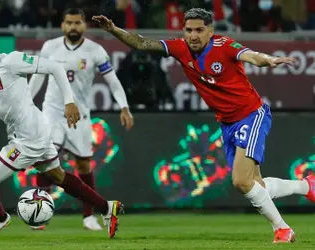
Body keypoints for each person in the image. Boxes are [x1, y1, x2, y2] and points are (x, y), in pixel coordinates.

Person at [93, 8, 315, 243]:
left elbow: (251, 56)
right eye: (189, 30)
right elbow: (142, 43)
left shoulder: (224, 46)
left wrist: (269, 60)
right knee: (256, 185)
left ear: (210, 31)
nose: (193, 35)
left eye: (199, 30)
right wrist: (114, 30)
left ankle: (282, 229)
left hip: (251, 115)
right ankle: (307, 186)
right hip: (227, 122)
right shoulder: (180, 48)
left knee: (241, 181)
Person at [0, 24, 123, 241]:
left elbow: (54, 67)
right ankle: (106, 207)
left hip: (29, 139)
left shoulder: (11, 61)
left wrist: (69, 101)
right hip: (32, 130)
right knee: (58, 176)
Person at [29, 8, 133, 231]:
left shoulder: (95, 50)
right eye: (69, 23)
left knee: (84, 163)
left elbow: (112, 81)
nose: (73, 27)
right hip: (53, 112)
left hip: (80, 115)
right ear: (62, 25)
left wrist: (124, 106)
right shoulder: (50, 47)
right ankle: (39, 214)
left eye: (77, 23)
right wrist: (27, 102)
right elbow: (38, 76)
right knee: (45, 159)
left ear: (84, 25)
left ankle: (88, 216)